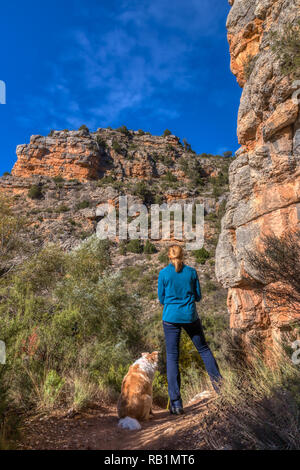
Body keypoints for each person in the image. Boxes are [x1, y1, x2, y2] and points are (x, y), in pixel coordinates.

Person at [158, 245, 222, 415]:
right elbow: (198, 296)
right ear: (182, 255)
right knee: (204, 350)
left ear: (169, 256)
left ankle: (177, 404)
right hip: (189, 316)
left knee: (172, 357)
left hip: (170, 318)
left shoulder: (164, 273)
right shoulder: (191, 272)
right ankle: (222, 390)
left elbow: (161, 299)